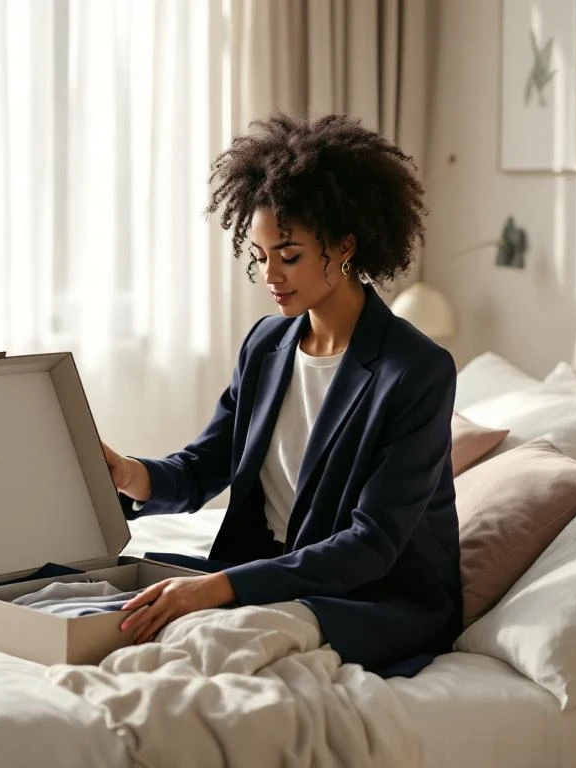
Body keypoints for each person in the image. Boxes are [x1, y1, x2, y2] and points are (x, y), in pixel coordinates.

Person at [102, 114, 460, 676]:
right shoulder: (268, 343)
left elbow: (371, 545)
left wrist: (221, 588)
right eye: (261, 255)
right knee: (109, 592)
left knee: (192, 642)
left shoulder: (416, 371)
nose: (271, 275)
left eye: (288, 255)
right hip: (269, 572)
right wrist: (130, 474)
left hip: (372, 597)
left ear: (345, 246)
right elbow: (206, 466)